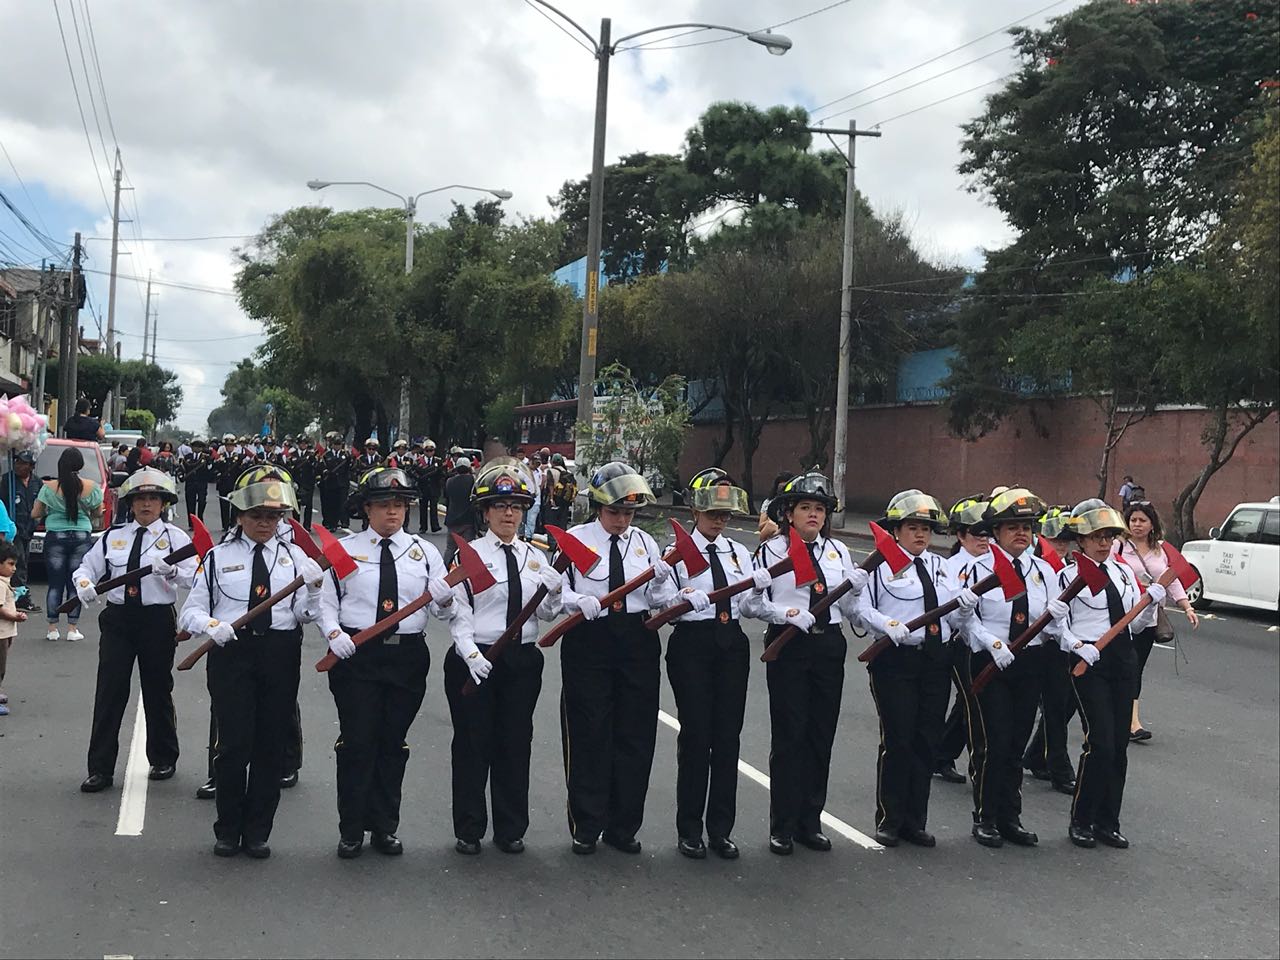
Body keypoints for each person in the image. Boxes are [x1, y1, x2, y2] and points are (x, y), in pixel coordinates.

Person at [178, 474, 324, 859]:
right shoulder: (217, 557)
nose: (265, 523)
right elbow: (190, 611)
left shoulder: (295, 558)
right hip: (231, 652)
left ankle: (258, 831)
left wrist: (313, 590)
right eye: (257, 514)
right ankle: (227, 830)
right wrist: (211, 625)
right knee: (233, 745)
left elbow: (306, 616)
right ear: (239, 516)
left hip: (279, 652)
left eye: (274, 516)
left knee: (269, 746)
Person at [319, 467, 455, 859]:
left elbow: (445, 612)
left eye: (399, 504)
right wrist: (333, 634)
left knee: (393, 742)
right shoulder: (346, 550)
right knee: (358, 740)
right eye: (383, 505)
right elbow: (326, 601)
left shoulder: (424, 552)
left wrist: (445, 598)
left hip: (406, 656)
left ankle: (384, 826)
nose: (393, 512)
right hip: (357, 656)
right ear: (366, 509)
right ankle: (351, 829)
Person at [443, 459, 562, 855]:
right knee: (474, 744)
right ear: (485, 512)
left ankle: (511, 828)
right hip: (476, 656)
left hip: (521, 662)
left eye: (516, 507)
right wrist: (471, 654)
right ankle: (469, 828)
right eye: (499, 506)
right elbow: (458, 614)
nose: (509, 513)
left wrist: (556, 593)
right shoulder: (468, 556)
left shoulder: (535, 557)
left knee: (515, 742)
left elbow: (544, 614)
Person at [557, 462, 677, 855]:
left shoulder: (644, 543)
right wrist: (579, 600)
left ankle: (624, 825)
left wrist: (663, 585)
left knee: (635, 734)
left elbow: (657, 600)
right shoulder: (575, 540)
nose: (622, 520)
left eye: (628, 512)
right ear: (598, 507)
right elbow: (555, 595)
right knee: (589, 731)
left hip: (636, 641)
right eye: (615, 512)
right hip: (589, 639)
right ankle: (587, 824)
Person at [856, 489, 978, 848]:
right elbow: (860, 608)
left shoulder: (940, 566)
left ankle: (915, 820)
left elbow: (954, 616)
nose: (920, 534)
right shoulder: (878, 565)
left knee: (926, 739)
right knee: (899, 738)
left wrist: (966, 608)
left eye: (925, 528)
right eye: (912, 527)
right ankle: (890, 819)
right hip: (896, 659)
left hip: (935, 660)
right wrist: (885, 624)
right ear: (896, 530)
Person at [665, 469, 775, 859]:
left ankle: (720, 829)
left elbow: (749, 607)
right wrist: (681, 597)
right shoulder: (676, 552)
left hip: (731, 644)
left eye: (725, 514)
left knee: (728, 739)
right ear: (695, 509)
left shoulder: (737, 552)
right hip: (692, 644)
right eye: (712, 511)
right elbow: (663, 604)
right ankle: (689, 829)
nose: (719, 519)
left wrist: (759, 589)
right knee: (697, 736)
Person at [755, 471, 864, 855]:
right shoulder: (771, 551)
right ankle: (782, 825)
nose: (814, 515)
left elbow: (850, 609)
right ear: (789, 513)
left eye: (819, 509)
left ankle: (809, 821)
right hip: (789, 646)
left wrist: (858, 594)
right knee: (790, 737)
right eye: (806, 508)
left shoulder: (839, 553)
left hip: (828, 646)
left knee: (820, 736)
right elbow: (752, 603)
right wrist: (784, 614)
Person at [72, 469, 198, 793]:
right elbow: (88, 566)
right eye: (140, 498)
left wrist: (172, 571)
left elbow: (196, 578)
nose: (146, 504)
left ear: (163, 503)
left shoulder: (176, 538)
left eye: (153, 498)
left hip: (156, 619)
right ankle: (99, 769)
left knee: (157, 688)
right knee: (109, 692)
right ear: (130, 503)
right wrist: (84, 582)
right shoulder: (114, 536)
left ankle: (163, 757)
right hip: (118, 619)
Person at [953, 488, 1058, 848]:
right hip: (990, 660)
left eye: (1027, 527)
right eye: (1012, 526)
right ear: (996, 531)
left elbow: (1053, 619)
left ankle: (1010, 816)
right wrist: (991, 643)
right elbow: (964, 620)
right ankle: (985, 817)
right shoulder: (976, 569)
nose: (1021, 533)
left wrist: (1059, 622)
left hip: (1030, 661)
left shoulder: (1042, 570)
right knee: (992, 741)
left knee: (1016, 741)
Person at [1052, 499, 1151, 850]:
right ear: (1081, 539)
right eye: (1096, 537)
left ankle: (1108, 821)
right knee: (1101, 743)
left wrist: (1149, 603)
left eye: (1109, 536)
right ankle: (1082, 819)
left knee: (1120, 747)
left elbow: (1133, 624)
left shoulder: (1122, 572)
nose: (1104, 543)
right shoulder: (1067, 575)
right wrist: (1079, 646)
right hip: (1089, 661)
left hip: (1122, 658)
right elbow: (1057, 627)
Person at [1117, 501, 1198, 742]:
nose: (1137, 525)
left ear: (1152, 524)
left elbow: (1171, 579)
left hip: (1149, 618)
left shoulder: (1161, 550)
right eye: (1133, 520)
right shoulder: (1117, 547)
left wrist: (1186, 606)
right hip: (1121, 617)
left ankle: (1132, 721)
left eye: (1142, 520)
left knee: (1135, 668)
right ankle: (1117, 716)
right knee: (1121, 667)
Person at [1022, 505, 1080, 794]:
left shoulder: (1069, 565)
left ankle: (1037, 756)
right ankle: (1060, 769)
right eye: (1056, 539)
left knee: (1062, 705)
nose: (1061, 544)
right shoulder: (1034, 565)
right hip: (1035, 645)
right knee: (1054, 707)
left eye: (1065, 540)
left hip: (1061, 644)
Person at [934, 494, 991, 785]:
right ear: (960, 535)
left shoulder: (996, 563)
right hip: (960, 642)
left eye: (988, 533)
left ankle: (942, 754)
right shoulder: (951, 566)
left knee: (969, 702)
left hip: (991, 643)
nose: (984, 539)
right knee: (974, 702)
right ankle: (980, 767)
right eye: (977, 534)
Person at [31, 446, 104, 641]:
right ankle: (72, 628)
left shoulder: (48, 488)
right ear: (80, 465)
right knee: (76, 582)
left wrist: (52, 510)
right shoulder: (92, 487)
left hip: (56, 535)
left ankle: (52, 628)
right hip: (81, 535)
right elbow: (98, 513)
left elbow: (35, 513)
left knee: (55, 584)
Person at [2, 450, 43, 611]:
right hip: (13, 529)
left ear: (31, 466)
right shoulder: (7, 480)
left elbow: (41, 506)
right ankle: (21, 598)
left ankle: (17, 596)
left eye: (23, 463)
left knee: (23, 560)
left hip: (29, 528)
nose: (19, 466)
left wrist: (35, 522)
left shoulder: (37, 482)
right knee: (18, 563)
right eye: (17, 462)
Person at [0, 541, 27, 716]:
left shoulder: (5, 582)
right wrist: (15, 616)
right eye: (10, 564)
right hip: (1, 633)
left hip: (6, 632)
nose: (14, 568)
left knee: (2, 665)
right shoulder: (0, 585)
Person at [442, 458, 476, 566]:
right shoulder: (473, 480)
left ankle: (445, 570)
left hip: (452, 520)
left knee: (450, 548)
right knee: (467, 548)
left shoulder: (449, 481)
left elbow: (446, 498)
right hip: (467, 519)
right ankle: (465, 571)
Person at [319, 431, 352, 531]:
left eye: (339, 444)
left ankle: (338, 522)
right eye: (335, 444)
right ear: (332, 445)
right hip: (330, 483)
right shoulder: (326, 455)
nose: (337, 446)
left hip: (342, 483)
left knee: (341, 503)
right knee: (331, 504)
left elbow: (348, 469)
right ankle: (331, 523)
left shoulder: (346, 455)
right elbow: (322, 467)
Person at [180, 439, 215, 529]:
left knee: (202, 501)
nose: (196, 448)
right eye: (194, 447)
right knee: (190, 503)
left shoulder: (205, 458)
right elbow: (183, 468)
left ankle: (200, 519)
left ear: (202, 448)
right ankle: (192, 523)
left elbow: (210, 470)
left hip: (201, 483)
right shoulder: (187, 457)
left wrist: (209, 462)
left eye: (199, 447)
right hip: (190, 483)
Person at [757, 471, 796, 542]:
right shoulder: (769, 502)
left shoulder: (797, 503)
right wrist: (773, 521)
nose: (783, 491)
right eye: (781, 488)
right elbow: (760, 526)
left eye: (786, 488)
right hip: (773, 537)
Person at [416, 440, 444, 534]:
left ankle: (435, 526)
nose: (429, 453)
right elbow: (416, 473)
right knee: (423, 508)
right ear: (423, 451)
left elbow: (442, 473)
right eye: (427, 451)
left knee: (434, 507)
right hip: (423, 487)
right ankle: (423, 527)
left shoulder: (438, 461)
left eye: (431, 451)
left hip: (434, 487)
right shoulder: (419, 461)